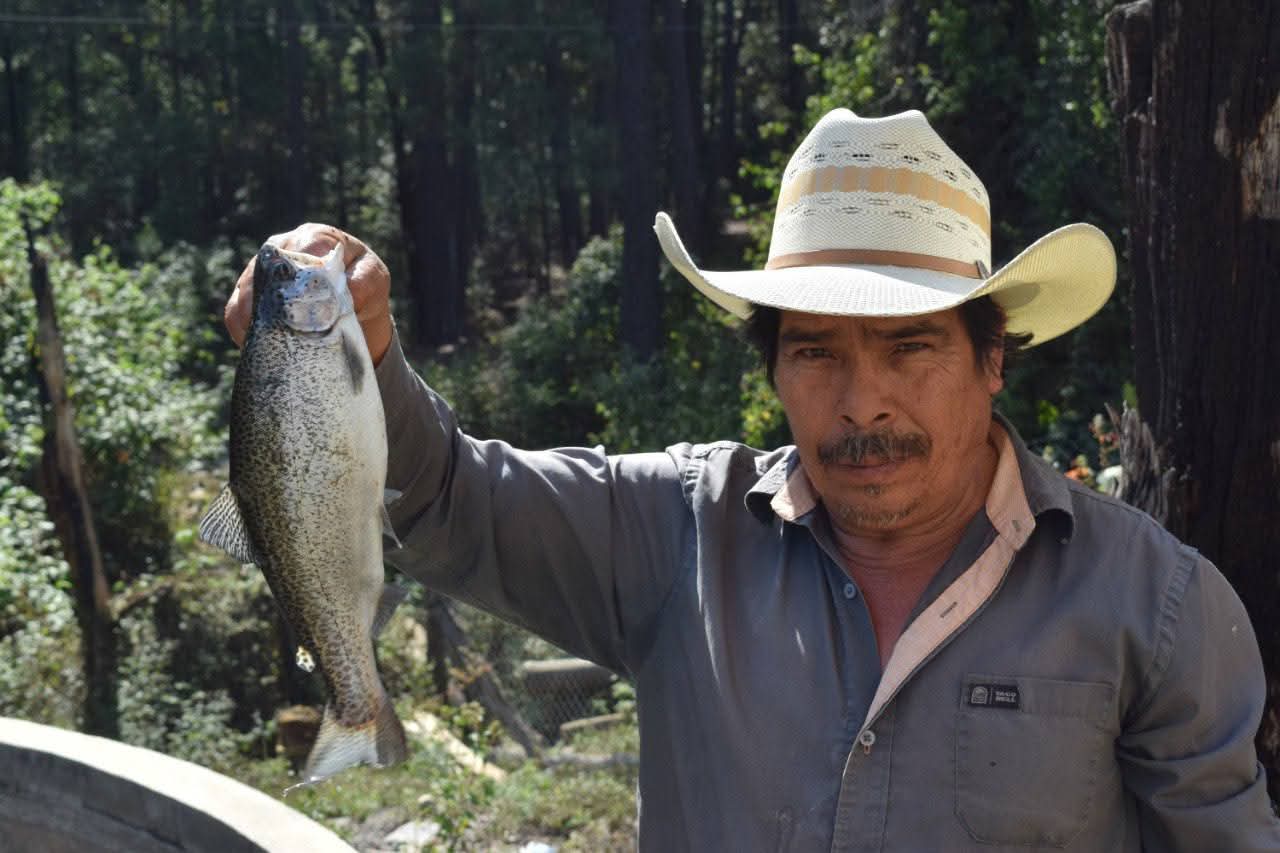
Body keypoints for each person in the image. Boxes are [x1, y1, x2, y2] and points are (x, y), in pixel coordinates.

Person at [226, 109, 1280, 850]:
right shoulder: (674, 534)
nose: (862, 402)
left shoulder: (1154, 607)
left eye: (909, 346)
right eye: (816, 352)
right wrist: (355, 355)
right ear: (772, 369)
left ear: (991, 356)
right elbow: (451, 497)